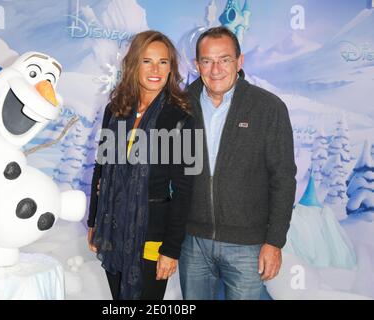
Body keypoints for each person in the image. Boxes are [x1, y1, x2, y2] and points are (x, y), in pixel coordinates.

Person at [179, 26, 297, 300]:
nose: (216, 69)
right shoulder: (181, 106)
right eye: (207, 61)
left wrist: (274, 242)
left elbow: (283, 178)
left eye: (225, 59)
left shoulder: (268, 108)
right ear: (197, 65)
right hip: (192, 243)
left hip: (248, 246)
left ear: (240, 62)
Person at [87, 30, 194, 300]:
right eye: (147, 61)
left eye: (163, 62)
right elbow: (101, 168)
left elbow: (185, 191)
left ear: (172, 68)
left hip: (152, 236)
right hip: (111, 228)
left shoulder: (180, 117)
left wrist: (171, 249)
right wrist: (93, 221)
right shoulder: (116, 110)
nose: (156, 69)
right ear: (134, 64)